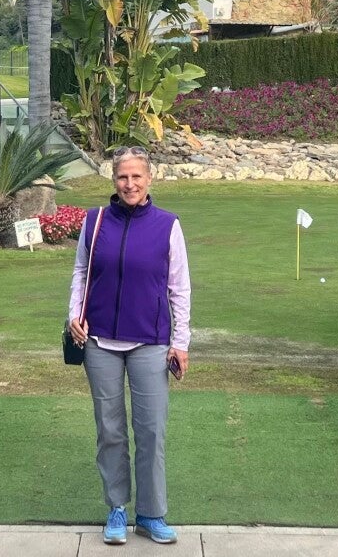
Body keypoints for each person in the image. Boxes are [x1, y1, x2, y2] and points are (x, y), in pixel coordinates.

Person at [68, 147, 190, 546]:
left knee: (151, 430)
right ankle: (117, 508)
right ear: (114, 180)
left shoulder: (168, 225)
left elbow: (179, 289)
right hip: (99, 340)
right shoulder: (94, 221)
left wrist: (181, 342)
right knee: (110, 430)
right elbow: (81, 272)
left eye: (137, 176)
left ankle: (151, 514)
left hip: (150, 341)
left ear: (149, 179)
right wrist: (73, 315)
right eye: (123, 176)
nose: (130, 184)